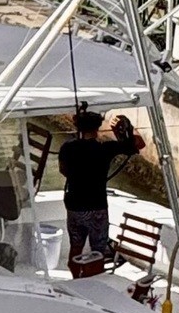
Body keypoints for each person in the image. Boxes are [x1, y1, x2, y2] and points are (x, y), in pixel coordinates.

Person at [58, 106, 141, 277]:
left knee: (75, 246)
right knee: (98, 250)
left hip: (74, 205)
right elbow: (138, 144)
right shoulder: (105, 148)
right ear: (97, 128)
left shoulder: (67, 147)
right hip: (97, 206)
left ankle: (76, 278)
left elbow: (63, 170)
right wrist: (121, 129)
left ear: (78, 126)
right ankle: (94, 280)